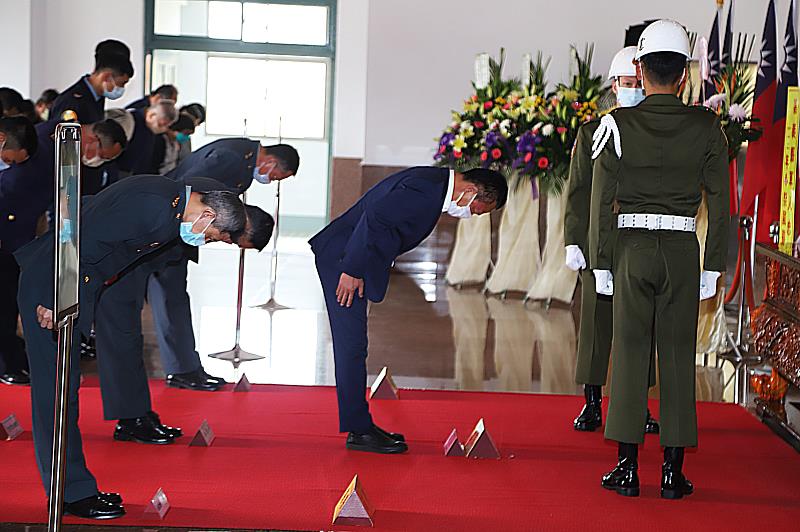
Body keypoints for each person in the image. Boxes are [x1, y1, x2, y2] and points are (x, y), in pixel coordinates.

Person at [15, 175, 246, 519]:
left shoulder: (168, 206)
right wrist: (56, 297)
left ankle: (72, 487)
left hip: (72, 288)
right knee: (57, 394)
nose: (205, 240)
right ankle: (69, 494)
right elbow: (78, 241)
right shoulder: (153, 206)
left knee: (65, 392)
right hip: (55, 288)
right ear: (208, 215)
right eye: (211, 237)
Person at [589, 20, 729, 499]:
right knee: (675, 356)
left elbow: (600, 199)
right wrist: (714, 265)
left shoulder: (616, 125)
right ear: (684, 75)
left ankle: (627, 468)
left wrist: (601, 263)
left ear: (641, 71)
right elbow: (721, 201)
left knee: (629, 354)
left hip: (631, 249)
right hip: (682, 250)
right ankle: (672, 472)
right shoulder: (708, 127)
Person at [310, 167, 508, 454]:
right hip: (343, 259)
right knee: (351, 344)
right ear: (472, 192)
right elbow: (375, 218)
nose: (472, 214)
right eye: (478, 210)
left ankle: (360, 425)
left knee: (354, 344)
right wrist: (352, 269)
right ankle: (359, 431)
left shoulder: (434, 184)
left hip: (352, 257)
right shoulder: (426, 191)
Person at [96, 179, 274, 444]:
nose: (226, 242)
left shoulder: (220, 209)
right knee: (123, 339)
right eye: (235, 241)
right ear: (244, 225)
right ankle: (130, 419)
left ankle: (137, 413)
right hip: (120, 266)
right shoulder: (208, 202)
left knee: (130, 340)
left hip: (137, 265)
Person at [564, 46, 659, 435]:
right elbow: (578, 191)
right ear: (614, 86)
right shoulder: (591, 133)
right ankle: (591, 400)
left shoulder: (655, 132)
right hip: (598, 238)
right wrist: (574, 241)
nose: (633, 89)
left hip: (641, 239)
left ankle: (637, 404)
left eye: (639, 83)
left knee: (640, 326)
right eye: (627, 83)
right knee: (596, 324)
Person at [153, 140, 299, 390]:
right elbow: (186, 192)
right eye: (276, 177)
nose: (272, 181)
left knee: (175, 299)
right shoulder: (231, 158)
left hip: (176, 236)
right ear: (271, 162)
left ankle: (187, 367)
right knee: (169, 300)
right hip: (168, 234)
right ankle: (181, 369)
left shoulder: (241, 158)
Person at [0, 116, 44, 386]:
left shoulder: (18, 173)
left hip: (11, 249)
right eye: (13, 159)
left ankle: (12, 359)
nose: (15, 165)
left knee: (7, 308)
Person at [50, 40, 134, 125]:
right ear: (106, 77)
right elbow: (66, 137)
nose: (122, 89)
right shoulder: (71, 103)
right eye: (121, 84)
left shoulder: (97, 97)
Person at [113, 100, 178, 177]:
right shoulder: (130, 120)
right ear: (152, 115)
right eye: (161, 125)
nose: (164, 129)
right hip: (116, 169)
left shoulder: (151, 131)